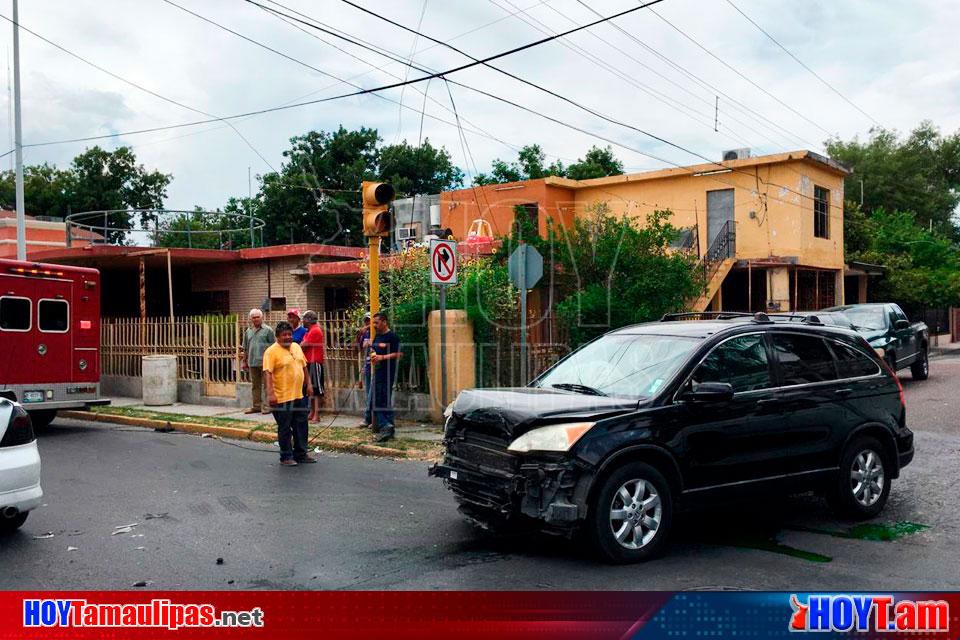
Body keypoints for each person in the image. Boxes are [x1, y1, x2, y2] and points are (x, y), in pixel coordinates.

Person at [263, 321, 315, 466]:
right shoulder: (271, 352)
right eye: (284, 335)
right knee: (285, 428)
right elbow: (267, 373)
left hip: (299, 395)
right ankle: (286, 456)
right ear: (277, 337)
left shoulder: (297, 347)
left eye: (289, 334)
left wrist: (309, 384)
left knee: (301, 426)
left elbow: (304, 366)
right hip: (281, 398)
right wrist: (271, 394)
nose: (287, 337)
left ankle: (301, 454)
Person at [364, 312, 402, 443]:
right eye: (373, 322)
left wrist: (383, 357)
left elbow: (399, 354)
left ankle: (386, 426)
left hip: (387, 372)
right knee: (378, 400)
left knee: (381, 400)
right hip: (378, 372)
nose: (374, 325)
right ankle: (388, 427)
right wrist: (373, 356)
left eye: (376, 322)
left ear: (384, 322)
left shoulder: (392, 336)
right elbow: (374, 349)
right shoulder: (377, 336)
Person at [240, 308, 275, 414]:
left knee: (267, 385)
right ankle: (256, 406)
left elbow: (274, 347)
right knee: (255, 385)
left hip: (265, 362)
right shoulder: (248, 332)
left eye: (257, 317)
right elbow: (245, 348)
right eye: (253, 317)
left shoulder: (268, 330)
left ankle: (267, 406)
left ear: (262, 317)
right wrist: (244, 361)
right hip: (252, 362)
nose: (255, 319)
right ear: (251, 319)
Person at [300, 310, 326, 423]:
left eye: (304, 319)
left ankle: (317, 414)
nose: (302, 321)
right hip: (309, 362)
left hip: (315, 362)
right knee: (309, 390)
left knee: (316, 390)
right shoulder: (309, 331)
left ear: (309, 320)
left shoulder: (315, 331)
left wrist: (301, 344)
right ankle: (312, 412)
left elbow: (303, 345)